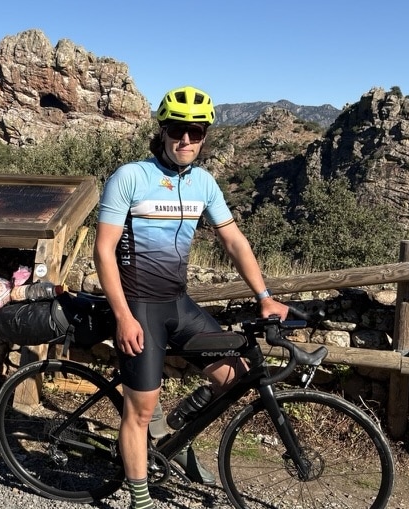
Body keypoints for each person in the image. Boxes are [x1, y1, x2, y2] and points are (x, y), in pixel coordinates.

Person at [94, 85, 289, 509]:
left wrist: (265, 296)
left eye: (195, 132)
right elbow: (103, 251)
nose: (185, 140)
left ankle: (174, 428)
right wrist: (124, 317)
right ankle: (140, 499)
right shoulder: (131, 177)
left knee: (234, 377)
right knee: (139, 411)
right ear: (162, 131)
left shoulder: (203, 183)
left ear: (204, 136)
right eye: (177, 130)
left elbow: (234, 241)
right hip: (140, 307)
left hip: (178, 304)